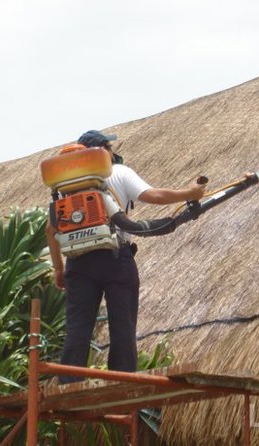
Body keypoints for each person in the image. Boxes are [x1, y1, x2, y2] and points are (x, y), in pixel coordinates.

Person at [46, 130, 206, 383]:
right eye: (109, 147)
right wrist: (189, 194)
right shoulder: (117, 172)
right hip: (115, 258)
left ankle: (68, 382)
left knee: (77, 328)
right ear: (101, 152)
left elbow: (51, 229)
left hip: (78, 263)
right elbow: (153, 196)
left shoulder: (65, 188)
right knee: (122, 324)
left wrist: (58, 269)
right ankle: (122, 380)